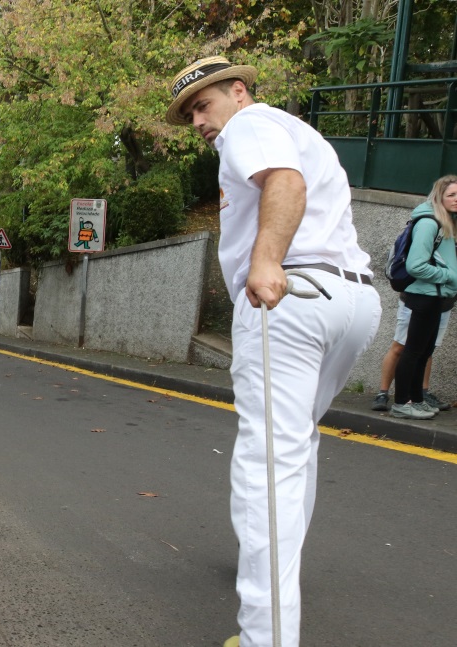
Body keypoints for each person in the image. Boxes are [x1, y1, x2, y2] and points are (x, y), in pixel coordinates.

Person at [166, 56, 381, 647]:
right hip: (349, 298)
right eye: (189, 116)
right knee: (295, 447)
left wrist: (265, 261)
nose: (199, 123)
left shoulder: (250, 125)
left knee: (267, 466)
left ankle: (267, 637)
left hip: (288, 297)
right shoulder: (297, 128)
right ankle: (270, 573)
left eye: (203, 105)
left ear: (238, 91)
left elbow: (284, 182)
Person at [388, 176, 457, 420]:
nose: (456, 199)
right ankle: (401, 403)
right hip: (424, 295)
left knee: (423, 351)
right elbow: (416, 265)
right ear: (439, 197)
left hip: (435, 296)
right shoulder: (429, 223)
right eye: (451, 195)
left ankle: (416, 400)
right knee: (413, 351)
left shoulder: (446, 220)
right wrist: (449, 276)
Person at [370, 300, 450, 412]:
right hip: (416, 301)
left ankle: (422, 394)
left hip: (443, 305)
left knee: (427, 349)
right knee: (399, 347)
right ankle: (382, 394)